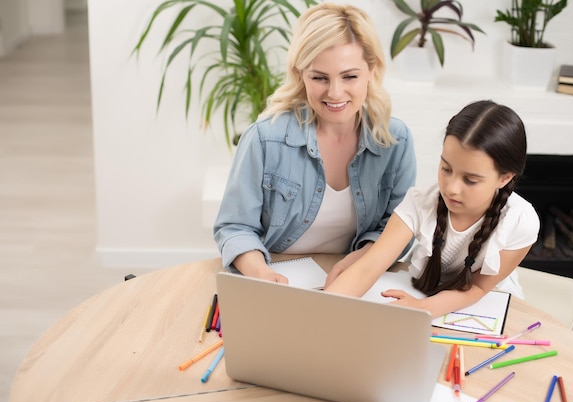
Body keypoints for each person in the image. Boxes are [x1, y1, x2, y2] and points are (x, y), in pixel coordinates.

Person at [213, 3, 417, 283]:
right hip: (277, 274)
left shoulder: (396, 141)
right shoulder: (264, 138)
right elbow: (235, 227)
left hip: (356, 280)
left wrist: (360, 261)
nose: (335, 93)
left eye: (350, 76)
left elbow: (398, 228)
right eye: (319, 77)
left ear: (372, 70)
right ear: (300, 74)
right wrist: (262, 275)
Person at [325, 100, 540, 318]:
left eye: (471, 180)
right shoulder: (420, 202)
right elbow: (367, 268)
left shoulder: (521, 221)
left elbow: (478, 288)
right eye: (446, 168)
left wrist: (424, 308)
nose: (452, 188)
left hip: (485, 309)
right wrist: (321, 312)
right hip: (423, 293)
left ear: (505, 178)